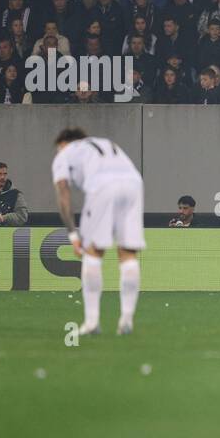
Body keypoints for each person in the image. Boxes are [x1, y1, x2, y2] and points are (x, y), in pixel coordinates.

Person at [52, 127, 144, 336]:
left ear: (64, 144)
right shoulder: (104, 143)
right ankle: (127, 318)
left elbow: (63, 193)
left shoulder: (65, 153)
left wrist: (72, 234)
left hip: (102, 186)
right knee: (128, 254)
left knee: (93, 252)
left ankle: (92, 321)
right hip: (134, 184)